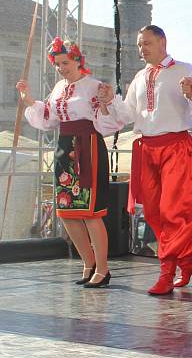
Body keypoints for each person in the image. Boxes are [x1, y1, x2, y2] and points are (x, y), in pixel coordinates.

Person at [97, 25, 192, 295]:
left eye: (147, 43)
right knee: (152, 211)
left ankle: (166, 272)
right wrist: (107, 102)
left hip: (176, 146)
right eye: (140, 45)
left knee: (173, 211)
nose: (142, 49)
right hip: (146, 149)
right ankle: (186, 258)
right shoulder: (140, 77)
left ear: (163, 42)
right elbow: (127, 113)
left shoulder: (184, 70)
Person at [17, 37, 123, 288]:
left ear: (77, 60)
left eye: (65, 62)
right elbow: (50, 119)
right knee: (67, 212)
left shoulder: (93, 85)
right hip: (65, 147)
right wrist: (30, 100)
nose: (61, 68)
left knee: (90, 212)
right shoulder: (58, 88)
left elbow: (110, 121)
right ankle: (88, 264)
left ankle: (103, 268)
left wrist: (108, 101)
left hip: (88, 146)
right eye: (57, 64)